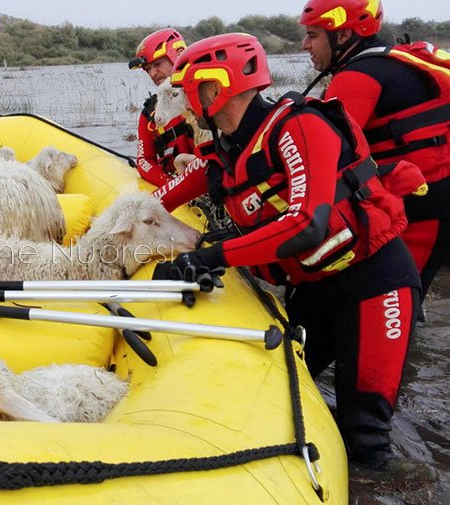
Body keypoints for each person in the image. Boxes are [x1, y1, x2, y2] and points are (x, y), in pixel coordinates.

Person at [152, 33, 421, 471]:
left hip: (374, 283)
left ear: (215, 88)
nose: (181, 101)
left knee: (366, 434)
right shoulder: (225, 148)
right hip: (314, 288)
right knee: (278, 392)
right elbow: (166, 195)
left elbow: (305, 225)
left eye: (187, 90)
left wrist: (210, 258)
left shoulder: (299, 126)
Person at [299, 0, 449, 302]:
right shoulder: (391, 60)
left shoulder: (357, 77)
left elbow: (320, 158)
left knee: (396, 295)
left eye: (313, 35)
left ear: (342, 36)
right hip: (434, 196)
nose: (304, 45)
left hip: (426, 206)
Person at [127, 28, 193, 186]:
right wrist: (170, 184)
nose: (153, 73)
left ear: (178, 55)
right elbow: (144, 160)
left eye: (157, 64)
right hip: (175, 181)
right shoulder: (150, 112)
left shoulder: (206, 95)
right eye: (148, 69)